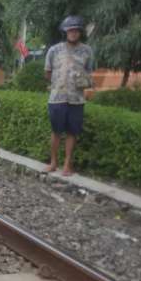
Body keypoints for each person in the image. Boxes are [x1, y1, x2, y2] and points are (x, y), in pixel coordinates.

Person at [44, 15, 93, 177]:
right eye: (70, 30)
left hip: (77, 100)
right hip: (57, 97)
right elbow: (48, 72)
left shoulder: (87, 51)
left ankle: (67, 164)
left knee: (72, 132)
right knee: (56, 131)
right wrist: (58, 83)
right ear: (65, 32)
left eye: (76, 30)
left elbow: (89, 72)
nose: (73, 33)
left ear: (79, 32)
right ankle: (53, 162)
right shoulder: (54, 50)